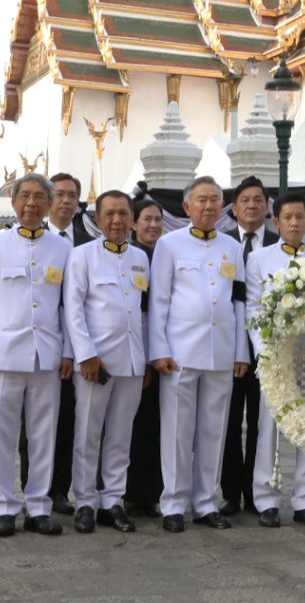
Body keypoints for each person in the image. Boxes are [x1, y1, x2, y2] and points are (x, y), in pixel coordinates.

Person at [0, 174, 73, 538]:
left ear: (48, 204)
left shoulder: (62, 249)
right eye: (24, 196)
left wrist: (68, 351)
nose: (31, 203)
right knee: (1, 435)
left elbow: (67, 306)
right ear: (13, 204)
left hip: (46, 355)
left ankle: (38, 507)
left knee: (43, 434)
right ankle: (4, 507)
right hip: (3, 356)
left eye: (38, 197)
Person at [150, 175, 250, 533]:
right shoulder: (169, 245)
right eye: (202, 200)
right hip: (180, 352)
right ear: (187, 206)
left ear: (223, 207)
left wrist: (241, 351)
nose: (209, 206)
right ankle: (173, 503)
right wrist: (158, 349)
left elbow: (239, 302)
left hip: (221, 351)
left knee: (215, 430)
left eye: (215, 200)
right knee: (177, 430)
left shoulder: (232, 248)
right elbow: (159, 300)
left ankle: (205, 502)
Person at [66, 190, 150, 534]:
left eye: (123, 214)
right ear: (98, 220)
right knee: (87, 433)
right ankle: (85, 501)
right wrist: (85, 353)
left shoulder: (141, 258)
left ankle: (112, 500)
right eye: (109, 214)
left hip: (131, 360)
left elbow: (143, 312)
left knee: (120, 435)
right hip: (95, 362)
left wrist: (143, 359)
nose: (116, 221)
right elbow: (73, 308)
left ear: (132, 219)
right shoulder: (82, 256)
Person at [244, 193, 305, 527]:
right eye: (287, 217)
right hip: (275, 358)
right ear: (275, 222)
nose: (294, 223)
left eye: (300, 217)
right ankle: (266, 500)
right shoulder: (259, 259)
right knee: (268, 429)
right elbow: (252, 307)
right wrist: (263, 351)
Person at [33, 171, 90, 515]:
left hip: (77, 349)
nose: (67, 201)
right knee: (36, 426)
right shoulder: (32, 239)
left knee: (69, 421)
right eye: (60, 194)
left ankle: (59, 491)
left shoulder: (87, 242)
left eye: (73, 195)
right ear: (48, 200)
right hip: (39, 344)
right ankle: (34, 490)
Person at [221, 176, 276, 516]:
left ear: (268, 207)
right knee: (227, 423)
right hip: (226, 349)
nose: (252, 205)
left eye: (258, 199)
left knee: (262, 423)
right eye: (245, 199)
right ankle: (230, 492)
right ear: (234, 208)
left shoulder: (281, 246)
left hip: (269, 353)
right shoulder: (220, 244)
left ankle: (259, 493)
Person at [122, 197, 167, 517]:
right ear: (134, 223)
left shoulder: (166, 255)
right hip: (134, 351)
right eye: (146, 219)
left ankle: (150, 493)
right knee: (128, 427)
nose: (152, 225)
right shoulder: (128, 257)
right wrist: (145, 358)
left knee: (155, 427)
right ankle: (124, 492)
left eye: (157, 220)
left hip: (161, 353)